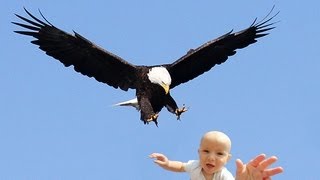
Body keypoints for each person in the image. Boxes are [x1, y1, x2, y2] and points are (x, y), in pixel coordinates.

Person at [149, 131, 283, 180]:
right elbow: (180, 167)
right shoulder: (195, 166)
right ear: (199, 152)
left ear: (227, 159)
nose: (211, 157)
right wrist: (167, 163)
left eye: (219, 154)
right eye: (206, 151)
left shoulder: (223, 176)